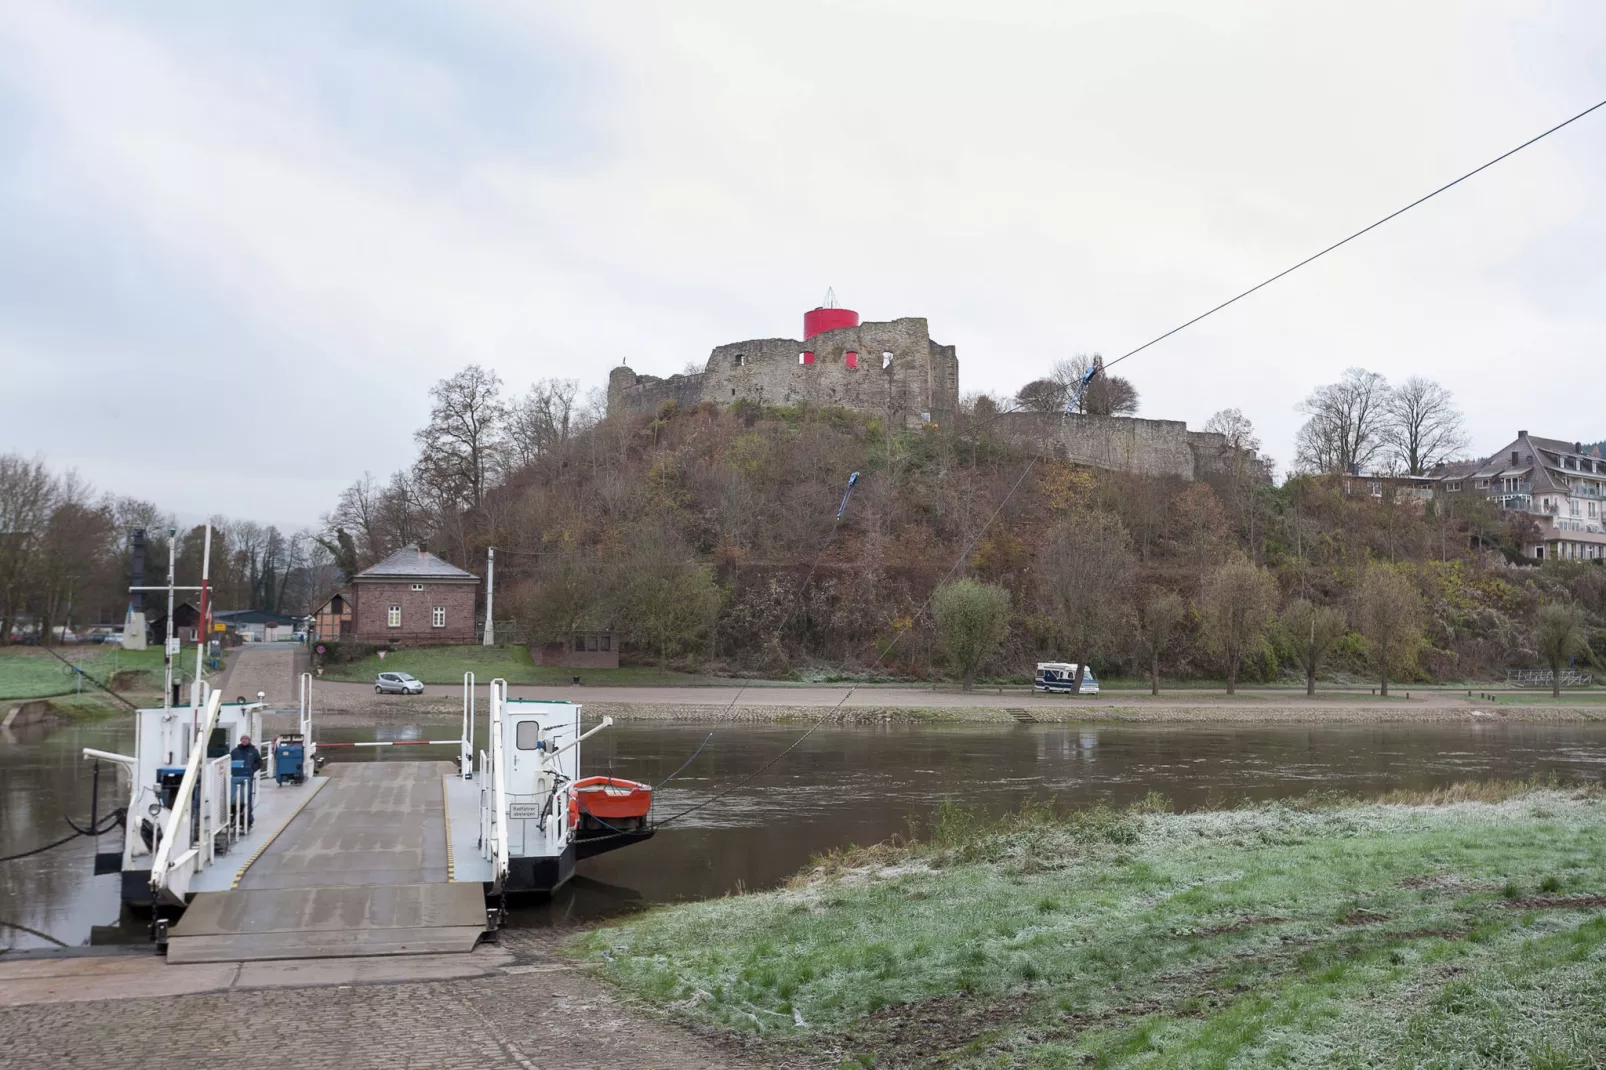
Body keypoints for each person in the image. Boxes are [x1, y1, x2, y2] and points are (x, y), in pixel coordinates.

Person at [230, 734, 263, 826]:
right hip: (235, 778)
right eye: (243, 739)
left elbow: (259, 762)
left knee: (247, 798)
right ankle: (234, 818)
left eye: (246, 739)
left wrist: (252, 770)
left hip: (248, 778)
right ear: (240, 740)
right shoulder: (235, 751)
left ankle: (247, 818)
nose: (244, 740)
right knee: (234, 798)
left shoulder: (254, 751)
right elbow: (229, 762)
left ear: (249, 740)